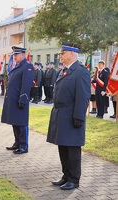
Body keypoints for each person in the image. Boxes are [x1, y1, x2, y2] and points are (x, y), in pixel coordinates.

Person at [47, 42, 90, 190]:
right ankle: (66, 175)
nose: (60, 57)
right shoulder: (64, 71)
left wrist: (78, 117)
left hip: (72, 116)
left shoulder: (81, 71)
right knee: (63, 148)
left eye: (62, 54)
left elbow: (83, 97)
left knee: (72, 150)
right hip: (60, 115)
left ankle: (74, 179)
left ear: (71, 54)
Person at [2, 46, 34, 154]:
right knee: (15, 122)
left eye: (16, 55)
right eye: (14, 55)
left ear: (22, 55)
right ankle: (17, 143)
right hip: (13, 100)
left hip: (20, 100)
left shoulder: (27, 66)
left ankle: (23, 146)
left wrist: (23, 99)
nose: (14, 57)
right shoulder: (18, 66)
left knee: (21, 123)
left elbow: (26, 84)